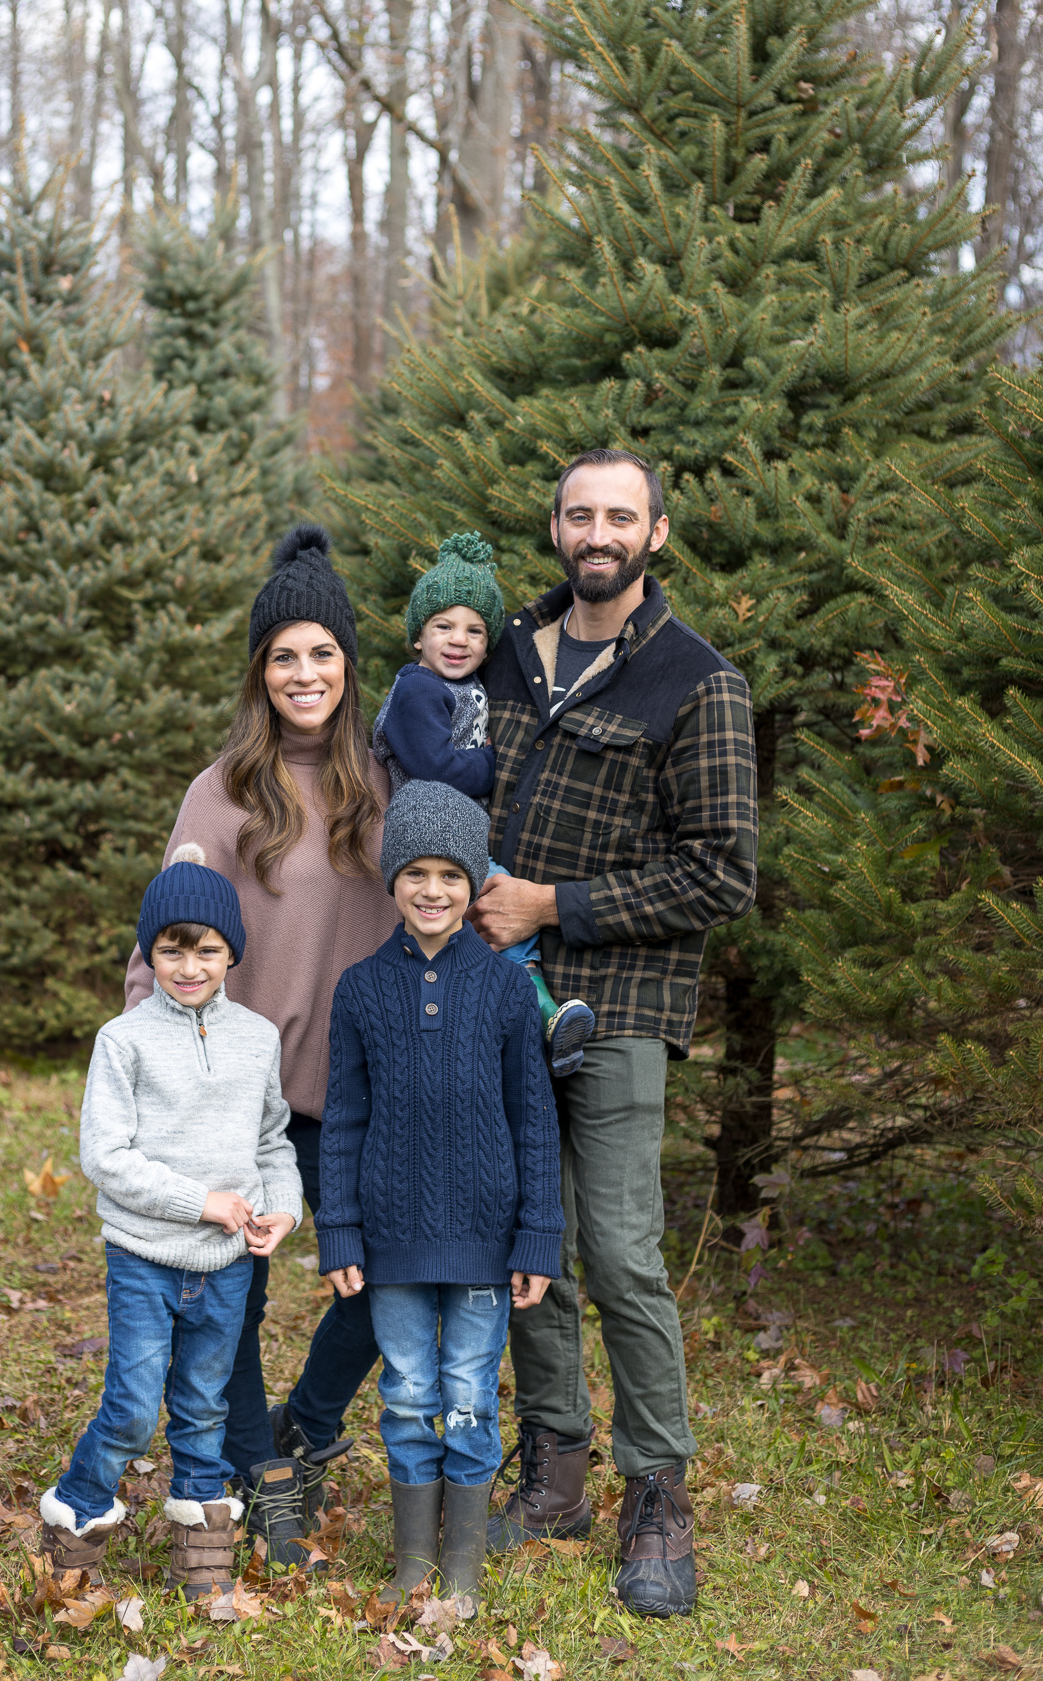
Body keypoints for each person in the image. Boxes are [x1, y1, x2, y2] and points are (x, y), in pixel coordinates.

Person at [471, 448, 758, 1620]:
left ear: (659, 532)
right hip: (498, 996)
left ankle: (657, 1493)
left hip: (624, 1008)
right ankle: (554, 1467)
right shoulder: (496, 656)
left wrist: (556, 905)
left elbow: (724, 868)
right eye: (581, 513)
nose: (599, 532)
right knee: (524, 1231)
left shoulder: (697, 681)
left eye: (621, 516)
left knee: (623, 1246)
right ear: (555, 527)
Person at [123, 524, 395, 1566]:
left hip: (361, 1096)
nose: (304, 671)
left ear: (348, 665)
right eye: (284, 654)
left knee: (395, 1275)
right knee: (228, 1296)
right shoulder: (222, 791)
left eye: (322, 651)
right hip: (243, 1097)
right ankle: (257, 1462)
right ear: (259, 672)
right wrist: (159, 1069)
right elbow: (164, 940)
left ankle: (309, 1423)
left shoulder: (388, 783)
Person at [316, 780, 562, 1612]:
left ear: (473, 884)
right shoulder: (359, 989)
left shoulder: (500, 989)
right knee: (408, 1391)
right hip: (389, 1241)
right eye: (414, 872)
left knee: (467, 1392)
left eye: (450, 875)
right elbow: (344, 1121)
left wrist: (536, 1239)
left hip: (484, 1239)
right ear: (391, 881)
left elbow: (533, 1120)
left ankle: (462, 1563)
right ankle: (414, 1559)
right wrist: (339, 1230)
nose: (431, 890)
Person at [41, 851, 302, 1596]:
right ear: (149, 952)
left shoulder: (255, 1037)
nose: (189, 967)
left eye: (207, 950)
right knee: (129, 1406)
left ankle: (202, 1550)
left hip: (226, 1262)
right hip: (146, 1256)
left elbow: (271, 1139)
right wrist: (199, 1202)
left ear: (231, 955)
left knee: (202, 1406)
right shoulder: (123, 1041)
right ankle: (79, 1515)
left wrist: (281, 1206)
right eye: (171, 950)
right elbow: (106, 1156)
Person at [372, 530, 595, 1078]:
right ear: (417, 636)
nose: (458, 640)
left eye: (475, 630)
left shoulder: (468, 686)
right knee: (497, 901)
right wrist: (498, 765)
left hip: (455, 829)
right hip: (427, 828)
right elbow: (435, 765)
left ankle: (534, 1014)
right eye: (443, 626)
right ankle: (540, 1014)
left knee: (496, 913)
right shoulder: (417, 689)